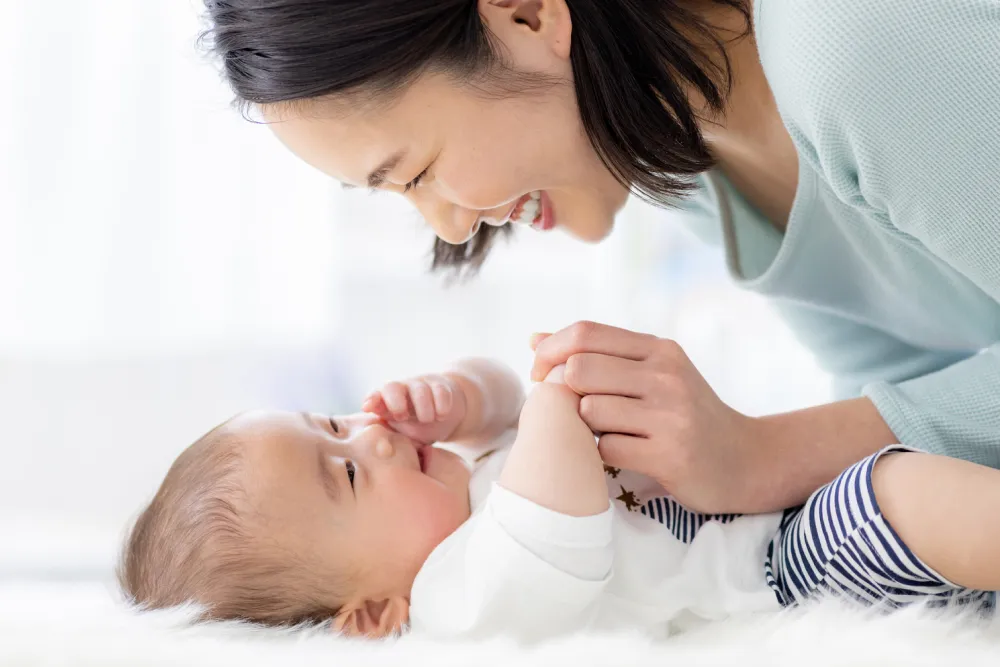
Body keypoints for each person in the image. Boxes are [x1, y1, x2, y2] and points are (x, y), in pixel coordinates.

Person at [200, 0, 1000, 516]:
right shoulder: (687, 162)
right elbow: (893, 384)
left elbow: (861, 424)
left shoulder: (850, 51)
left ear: (526, 15)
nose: (446, 228)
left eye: (414, 171)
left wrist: (766, 454)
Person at [118, 358, 998, 640]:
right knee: (897, 490)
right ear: (372, 612)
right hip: (784, 563)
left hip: (764, 496)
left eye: (334, 422)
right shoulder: (460, 597)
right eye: (345, 470)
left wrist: (470, 395)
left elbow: (507, 400)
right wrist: (547, 395)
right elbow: (560, 506)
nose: (372, 433)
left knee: (909, 447)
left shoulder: (474, 487)